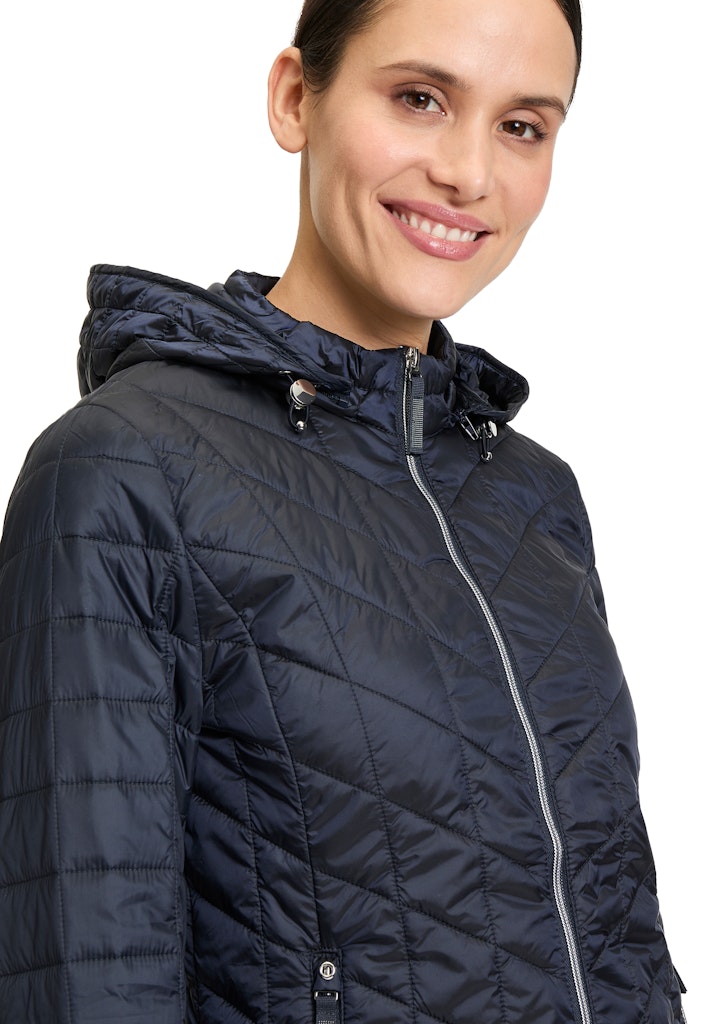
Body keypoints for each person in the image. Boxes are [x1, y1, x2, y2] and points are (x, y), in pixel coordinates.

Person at [0, 0, 686, 1021]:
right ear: (295, 99)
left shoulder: (534, 497)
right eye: (419, 99)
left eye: (522, 125)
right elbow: (85, 970)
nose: (469, 172)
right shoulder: (125, 471)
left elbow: (618, 932)